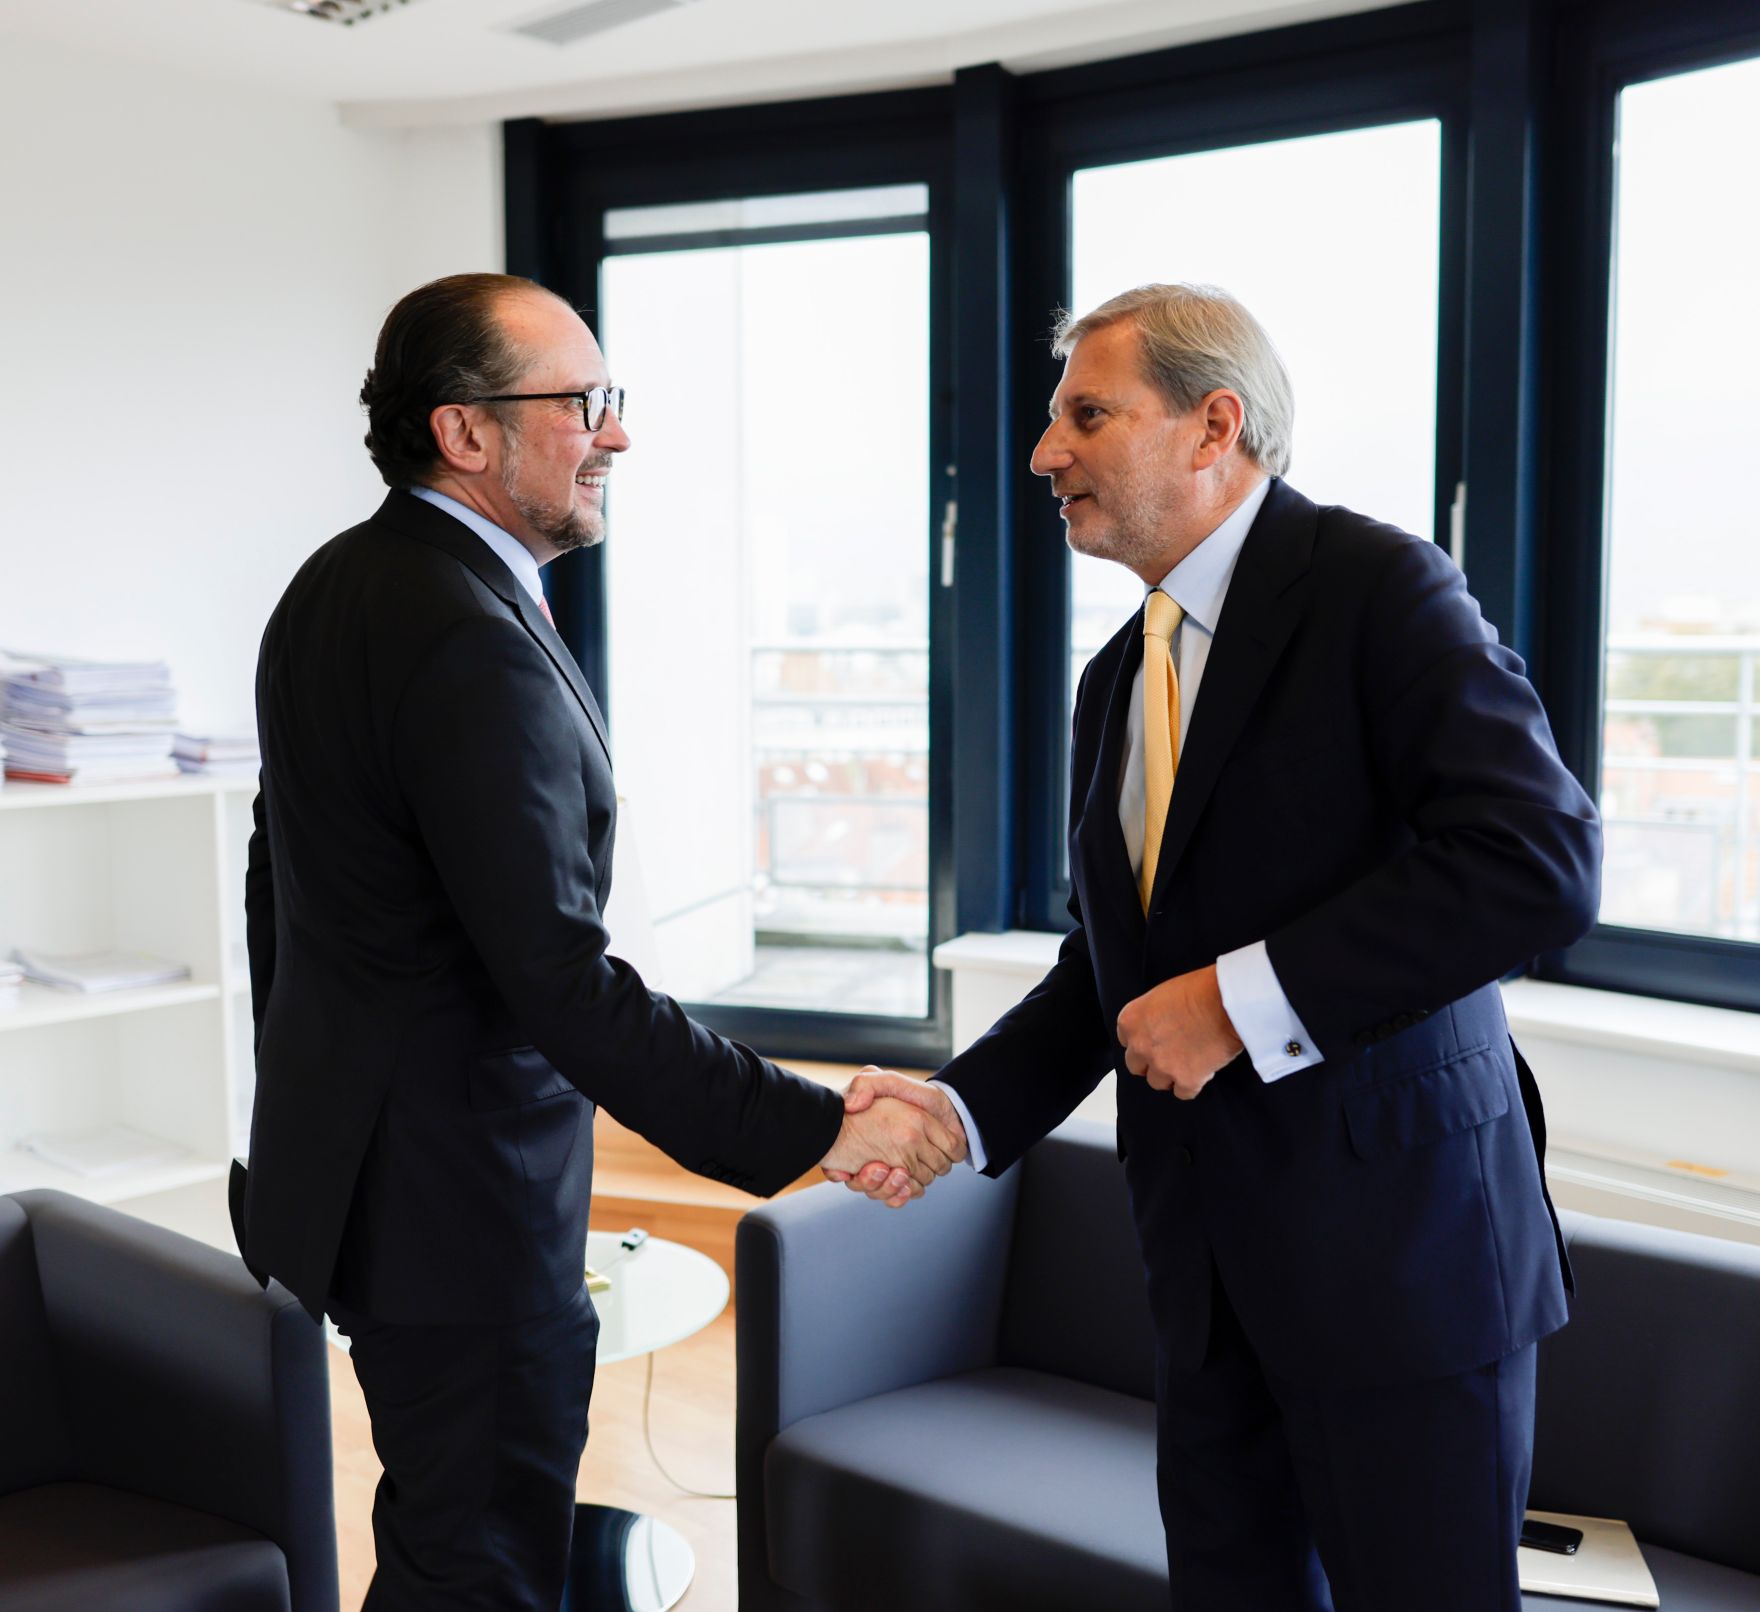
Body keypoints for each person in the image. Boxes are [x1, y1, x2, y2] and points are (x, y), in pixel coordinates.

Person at [849, 283, 1601, 1611]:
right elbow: (1110, 975)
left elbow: (1537, 862)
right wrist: (954, 1110)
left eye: (1086, 414)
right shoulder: (1114, 683)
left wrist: (1244, 1002)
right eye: (1048, 418)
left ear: (1214, 427)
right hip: (1204, 1284)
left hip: (1401, 1279)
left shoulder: (1380, 587)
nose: (1043, 454)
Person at [236, 271, 962, 1611]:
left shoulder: (332, 589)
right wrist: (813, 1124)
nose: (616, 432)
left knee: (446, 1536)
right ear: (466, 433)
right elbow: (561, 981)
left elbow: (276, 882)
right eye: (585, 402)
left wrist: (317, 1108)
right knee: (484, 1566)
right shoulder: (467, 637)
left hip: (358, 1183)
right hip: (464, 1211)